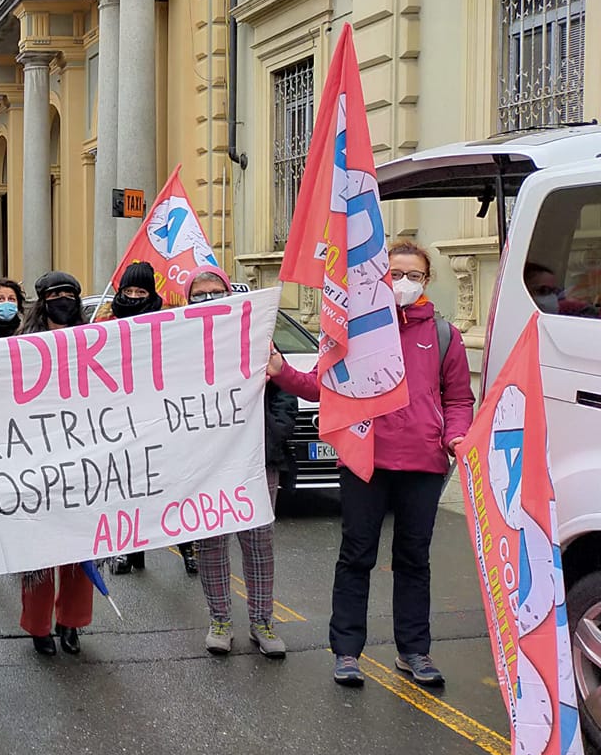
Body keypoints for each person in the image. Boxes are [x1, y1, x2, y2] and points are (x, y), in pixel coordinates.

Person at [270, 241, 474, 688]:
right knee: (356, 556)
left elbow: (459, 398)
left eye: (414, 275)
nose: (404, 283)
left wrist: (455, 435)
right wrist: (281, 370)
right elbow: (321, 386)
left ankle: (414, 652)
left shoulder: (444, 336)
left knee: (414, 560)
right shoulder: (358, 332)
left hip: (423, 463)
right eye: (395, 274)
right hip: (365, 459)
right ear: (380, 278)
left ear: (426, 281)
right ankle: (346, 652)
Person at [186, 270, 290, 659]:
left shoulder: (257, 337)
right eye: (201, 294)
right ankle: (220, 621)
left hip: (256, 457)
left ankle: (263, 621)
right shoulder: (179, 343)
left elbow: (284, 390)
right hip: (206, 462)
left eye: (217, 292)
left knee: (258, 541)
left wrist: (274, 432)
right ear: (188, 300)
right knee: (211, 543)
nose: (210, 298)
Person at [101, 262, 206, 576]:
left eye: (140, 291)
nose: (133, 297)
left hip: (161, 418)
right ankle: (128, 549)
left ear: (151, 293)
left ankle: (188, 547)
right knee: (128, 488)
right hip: (120, 420)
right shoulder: (106, 325)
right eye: (128, 291)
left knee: (173, 486)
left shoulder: (167, 324)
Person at [17, 272, 95, 656]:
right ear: (41, 301)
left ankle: (72, 624)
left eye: (68, 294)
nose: (62, 300)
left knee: (79, 550)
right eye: (55, 295)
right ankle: (38, 626)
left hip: (83, 460)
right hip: (36, 460)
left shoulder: (95, 341)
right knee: (40, 551)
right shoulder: (22, 346)